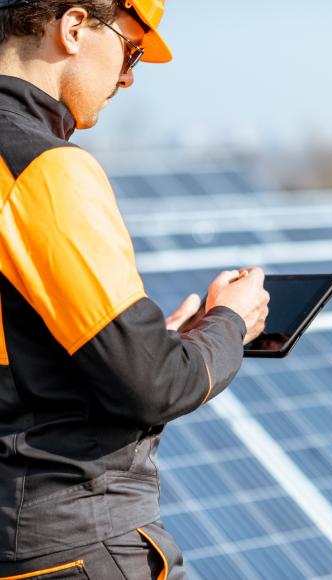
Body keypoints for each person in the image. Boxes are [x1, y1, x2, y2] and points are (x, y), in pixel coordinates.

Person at [0, 0, 269, 578]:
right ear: (73, 28)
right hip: (71, 546)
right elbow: (154, 383)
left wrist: (134, 342)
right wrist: (229, 323)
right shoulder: (45, 169)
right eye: (132, 50)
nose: (128, 77)